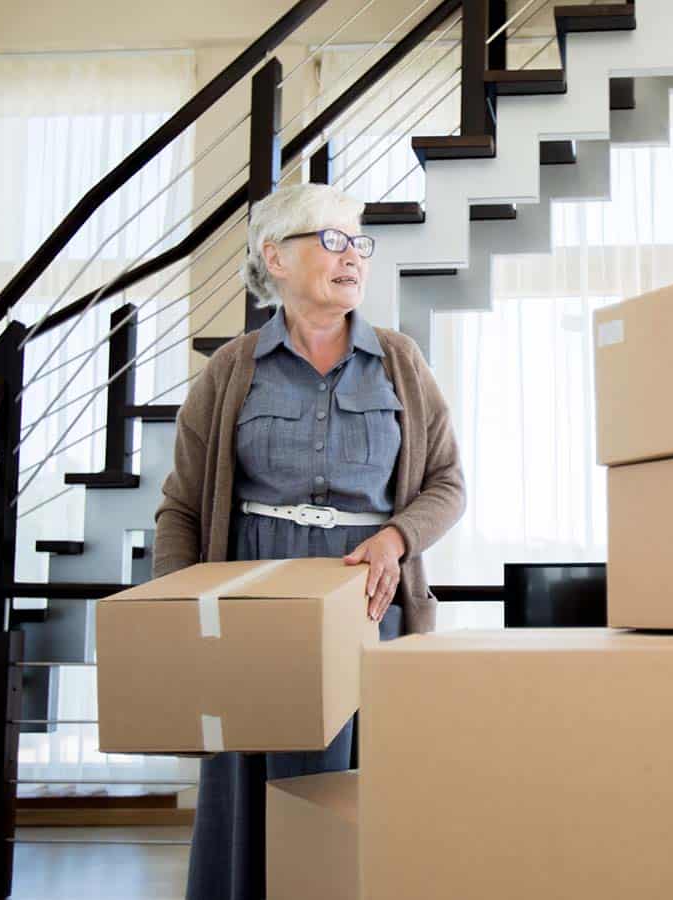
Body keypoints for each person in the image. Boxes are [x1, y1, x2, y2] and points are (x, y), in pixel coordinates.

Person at [152, 181, 466, 900]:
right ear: (276, 258)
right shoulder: (231, 369)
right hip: (248, 613)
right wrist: (177, 622)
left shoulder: (399, 361)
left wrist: (395, 539)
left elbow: (447, 484)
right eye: (331, 239)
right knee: (251, 799)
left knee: (351, 796)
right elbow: (181, 509)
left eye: (358, 241)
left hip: (366, 610)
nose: (352, 255)